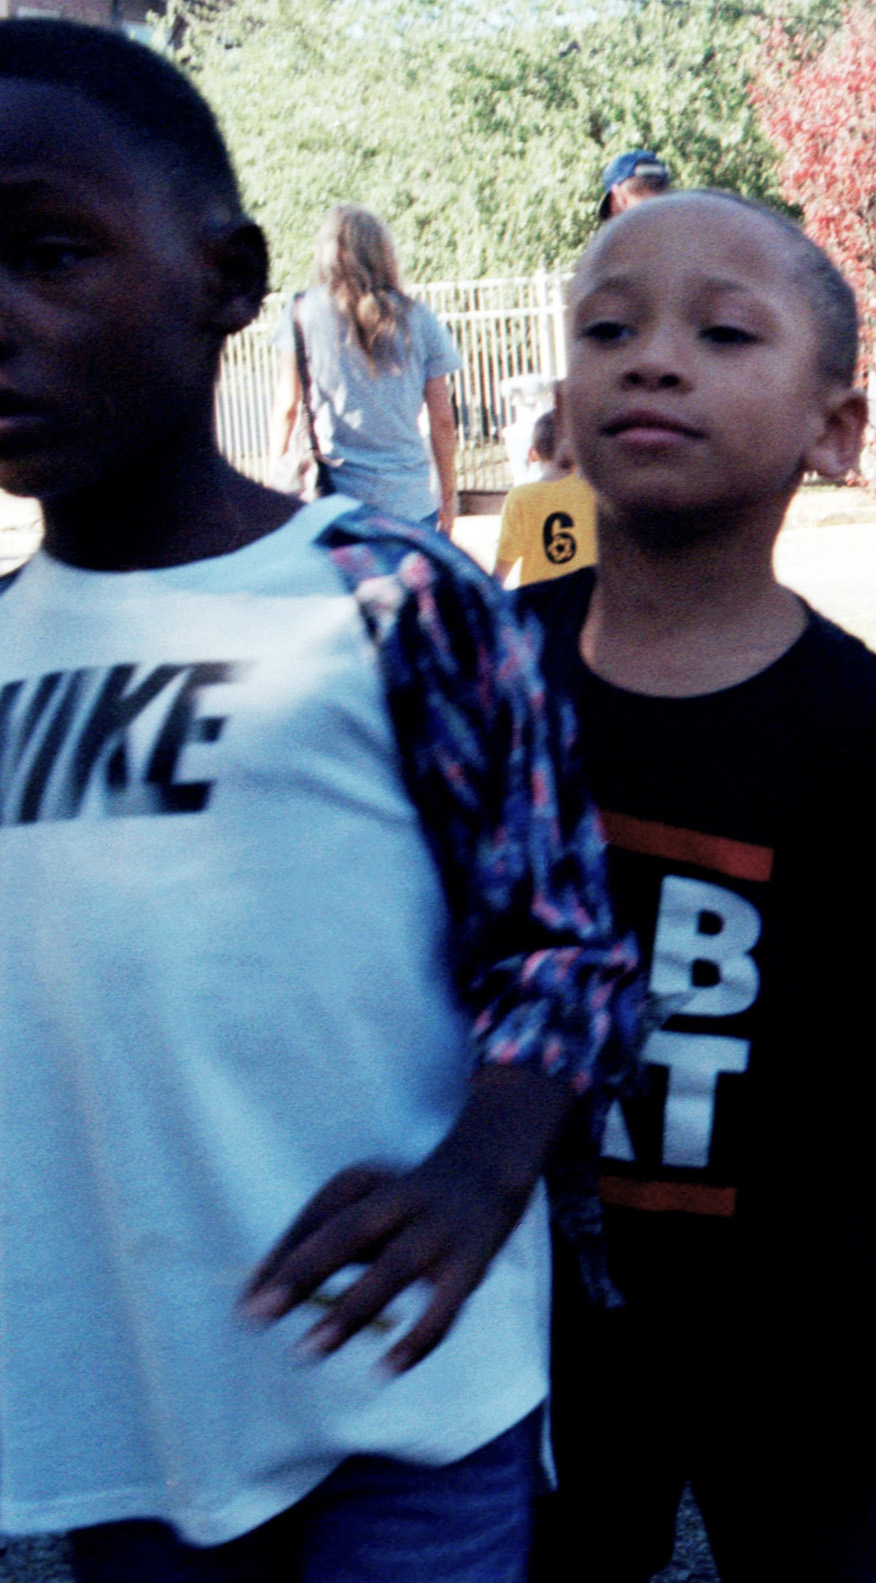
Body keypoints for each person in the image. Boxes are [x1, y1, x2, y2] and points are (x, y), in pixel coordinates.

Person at [0, 20, 639, 1580]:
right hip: (129, 1413)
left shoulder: (394, 602)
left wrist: (482, 1170)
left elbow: (565, 949)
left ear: (228, 279)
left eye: (53, 252)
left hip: (401, 1400)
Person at [521, 190, 876, 1580]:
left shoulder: (858, 726)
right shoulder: (486, 672)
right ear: (563, 408)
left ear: (834, 428)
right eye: (609, 327)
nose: (652, 358)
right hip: (528, 1320)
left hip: (796, 1323)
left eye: (720, 331)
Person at [270, 204, 464, 533]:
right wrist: (447, 495)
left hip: (332, 504)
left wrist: (273, 480)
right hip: (409, 503)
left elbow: (287, 407)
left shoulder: (301, 312)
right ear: (384, 254)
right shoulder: (419, 318)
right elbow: (442, 420)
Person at [493, 410, 597, 587]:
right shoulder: (593, 492)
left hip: (541, 602)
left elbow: (505, 560)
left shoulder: (520, 498)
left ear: (532, 454)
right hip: (587, 598)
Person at [596, 149, 670, 221]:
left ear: (619, 196)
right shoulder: (678, 221)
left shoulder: (634, 231)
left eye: (611, 213)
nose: (612, 218)